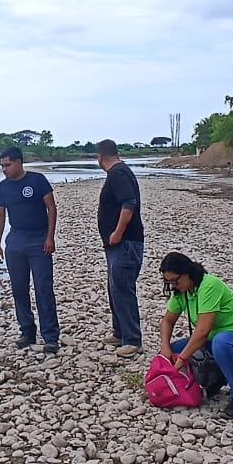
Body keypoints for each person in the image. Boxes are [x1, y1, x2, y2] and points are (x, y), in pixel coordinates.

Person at [159, 252, 233, 420]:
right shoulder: (182, 292)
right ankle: (210, 381)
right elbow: (167, 321)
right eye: (169, 282)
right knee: (174, 349)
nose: (173, 286)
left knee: (221, 343)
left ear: (186, 273)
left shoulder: (208, 285)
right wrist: (165, 348)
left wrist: (180, 361)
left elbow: (202, 332)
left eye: (175, 281)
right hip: (213, 343)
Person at [0, 146, 61, 354]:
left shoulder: (37, 180)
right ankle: (27, 331)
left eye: (8, 165)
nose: (4, 169)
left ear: (19, 163)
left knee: (43, 288)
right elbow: (0, 216)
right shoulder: (3, 187)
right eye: (2, 166)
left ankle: (50, 336)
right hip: (16, 240)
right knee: (19, 289)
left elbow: (51, 209)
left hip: (38, 239)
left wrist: (50, 237)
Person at [96, 139, 144, 357]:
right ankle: (119, 332)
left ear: (100, 157)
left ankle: (132, 339)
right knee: (115, 288)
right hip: (118, 244)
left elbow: (129, 203)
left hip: (125, 243)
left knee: (123, 289)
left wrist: (117, 232)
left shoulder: (117, 174)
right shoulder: (120, 171)